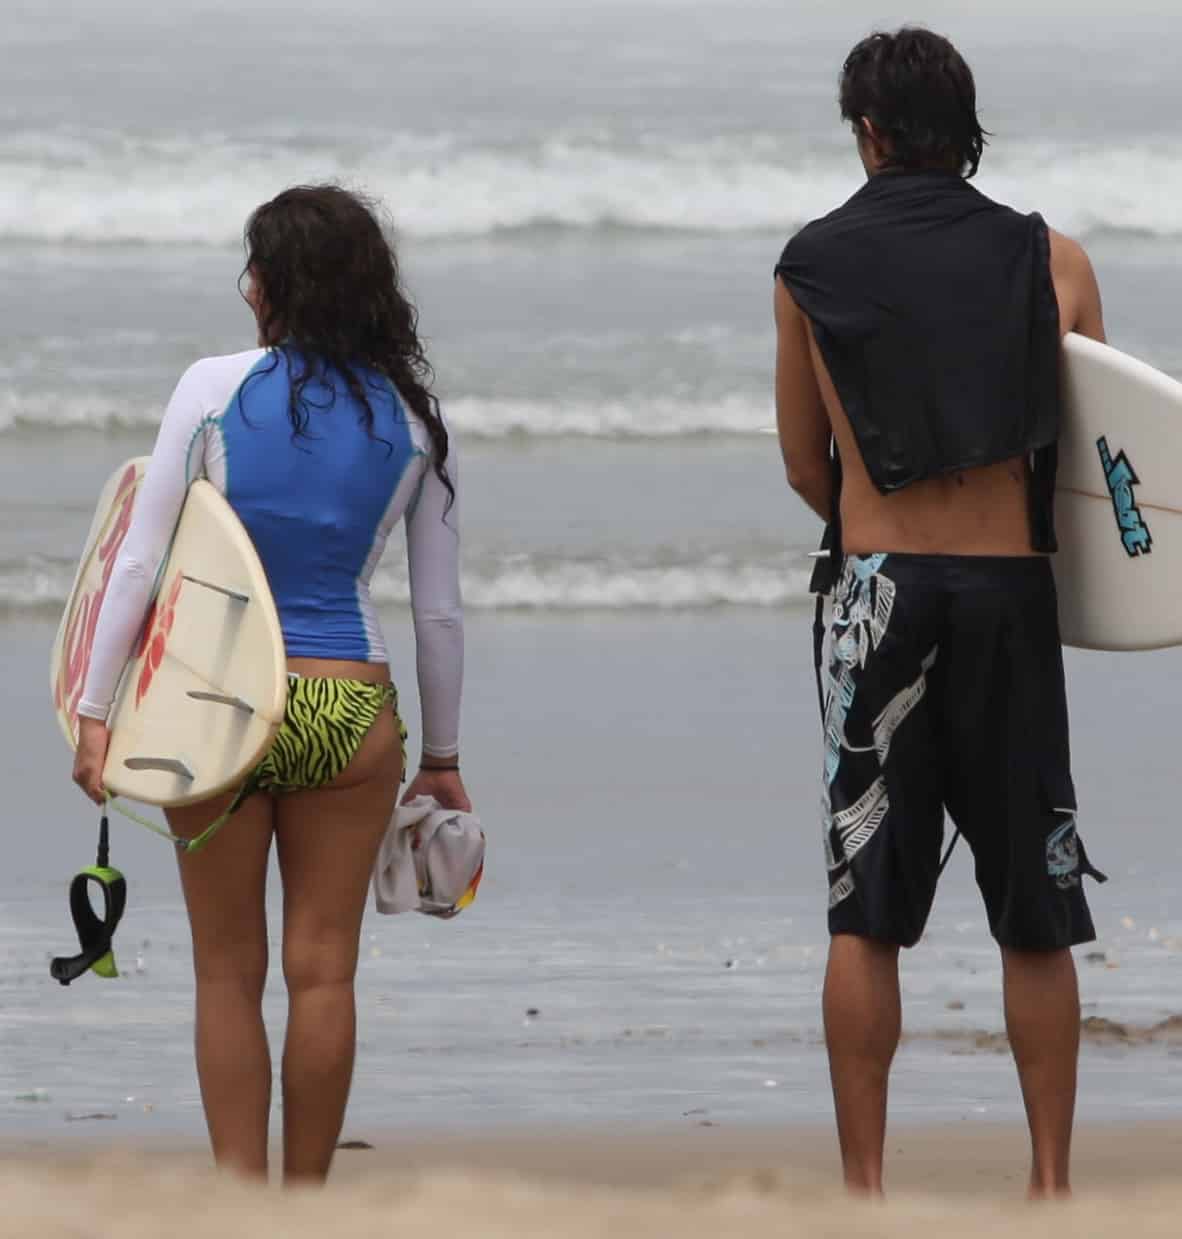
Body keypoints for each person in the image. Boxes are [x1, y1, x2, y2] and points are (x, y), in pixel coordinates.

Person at [70, 184, 471, 1183]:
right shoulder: (415, 422)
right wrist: (447, 758)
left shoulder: (210, 387)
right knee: (324, 970)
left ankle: (242, 1204)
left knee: (226, 973)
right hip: (348, 708)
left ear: (269, 285)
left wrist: (91, 707)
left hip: (215, 708)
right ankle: (306, 1203)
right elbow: (438, 613)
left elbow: (136, 558)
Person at [773, 28, 1107, 1199]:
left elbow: (806, 466)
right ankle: (1052, 1183)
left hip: (880, 596)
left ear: (867, 130)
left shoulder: (811, 264)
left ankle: (864, 1189)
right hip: (1010, 595)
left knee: (865, 911)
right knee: (1036, 902)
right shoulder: (1051, 259)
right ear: (965, 126)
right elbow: (1099, 462)